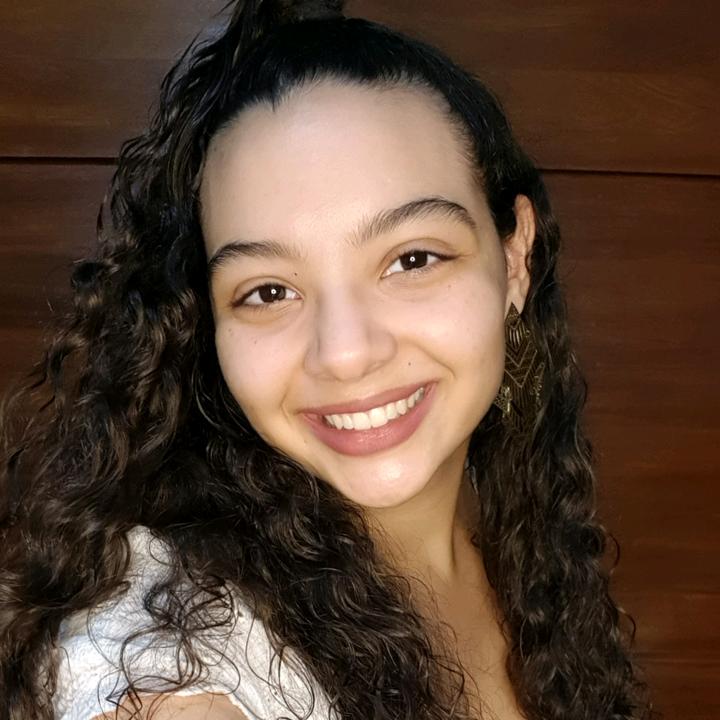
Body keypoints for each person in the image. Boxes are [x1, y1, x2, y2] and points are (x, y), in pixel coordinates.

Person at [0, 1, 656, 719]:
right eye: (268, 291)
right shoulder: (171, 650)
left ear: (514, 257)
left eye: (413, 259)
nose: (345, 354)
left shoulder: (516, 524)